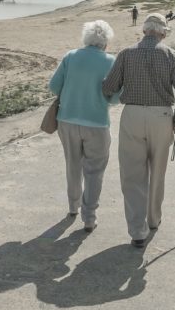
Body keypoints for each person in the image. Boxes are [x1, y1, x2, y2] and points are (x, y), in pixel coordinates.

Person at [102, 13, 175, 249]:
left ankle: (137, 230)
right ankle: (153, 218)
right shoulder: (171, 55)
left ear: (144, 31)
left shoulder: (126, 54)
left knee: (132, 174)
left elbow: (109, 86)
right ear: (162, 33)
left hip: (132, 115)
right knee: (157, 171)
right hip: (161, 116)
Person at [49, 20, 119, 233]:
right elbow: (116, 98)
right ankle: (89, 217)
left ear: (86, 38)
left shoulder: (70, 57)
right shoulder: (110, 61)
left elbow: (54, 86)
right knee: (94, 171)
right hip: (96, 123)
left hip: (67, 120)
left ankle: (73, 206)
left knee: (73, 164)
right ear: (105, 41)